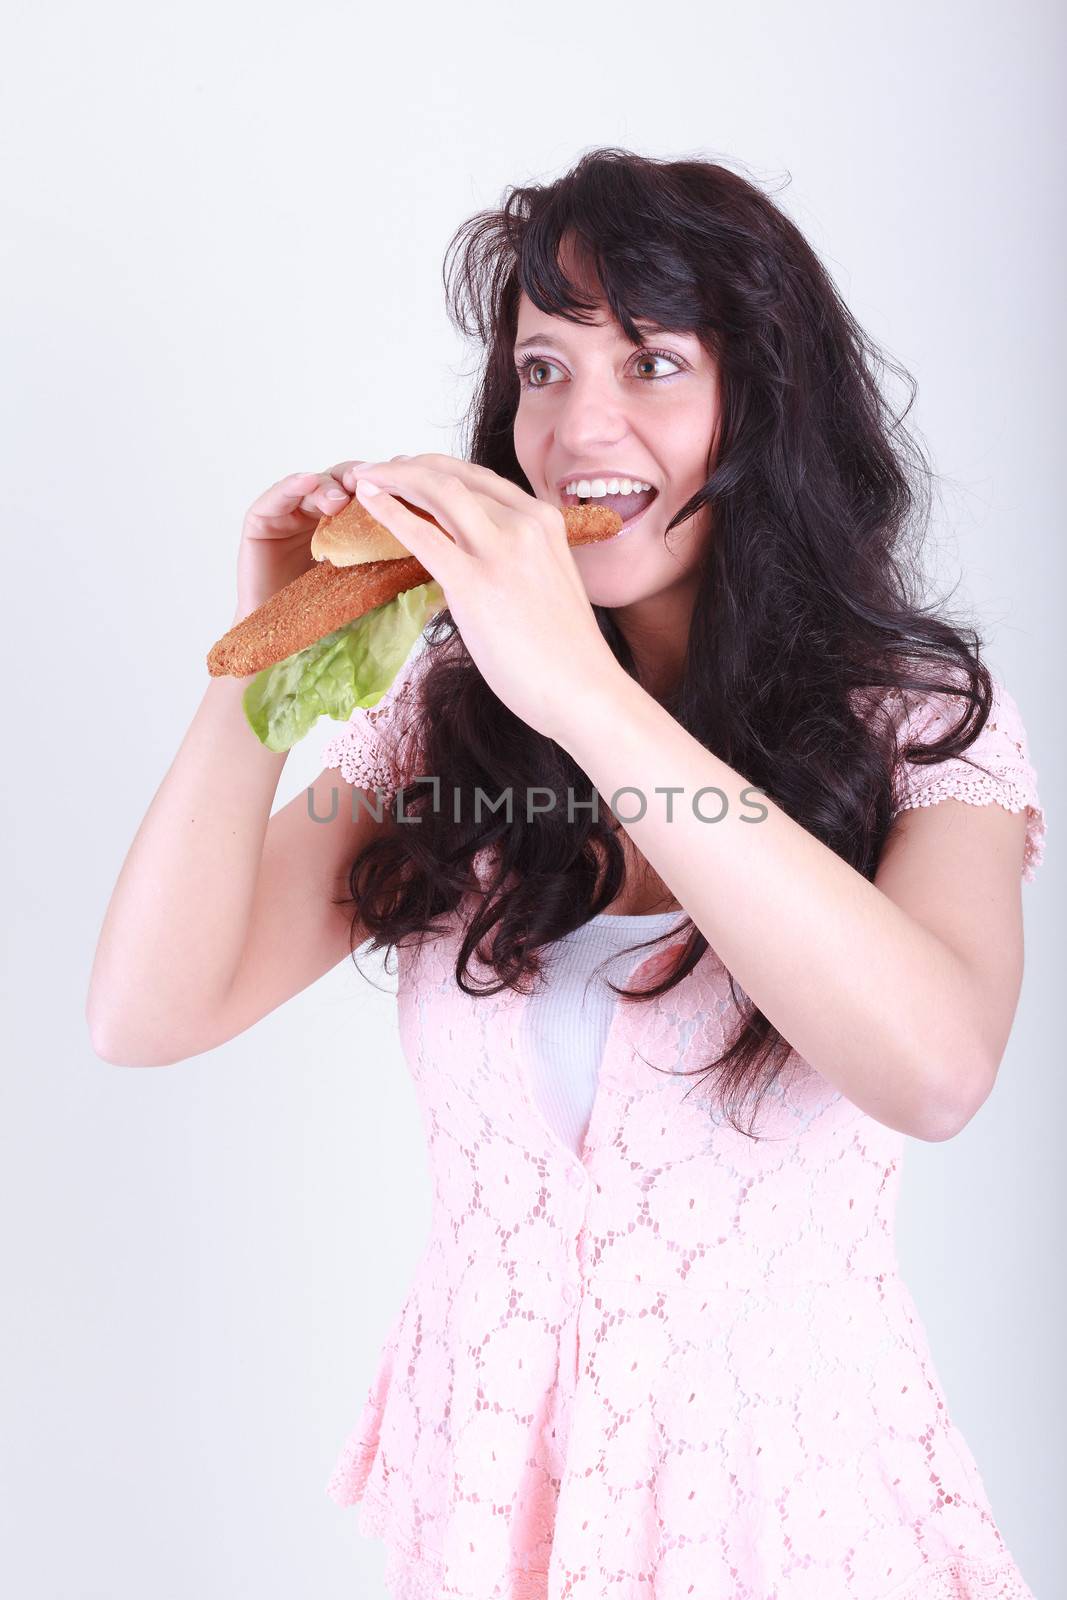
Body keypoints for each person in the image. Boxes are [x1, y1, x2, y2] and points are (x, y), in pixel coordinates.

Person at [87, 148, 1046, 1599]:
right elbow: (145, 1014)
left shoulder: (913, 723)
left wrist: (584, 697)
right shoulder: (451, 718)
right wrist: (263, 662)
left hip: (786, 1525)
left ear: (766, 407)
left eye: (654, 361)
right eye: (543, 368)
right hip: (495, 1527)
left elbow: (937, 1071)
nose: (580, 426)